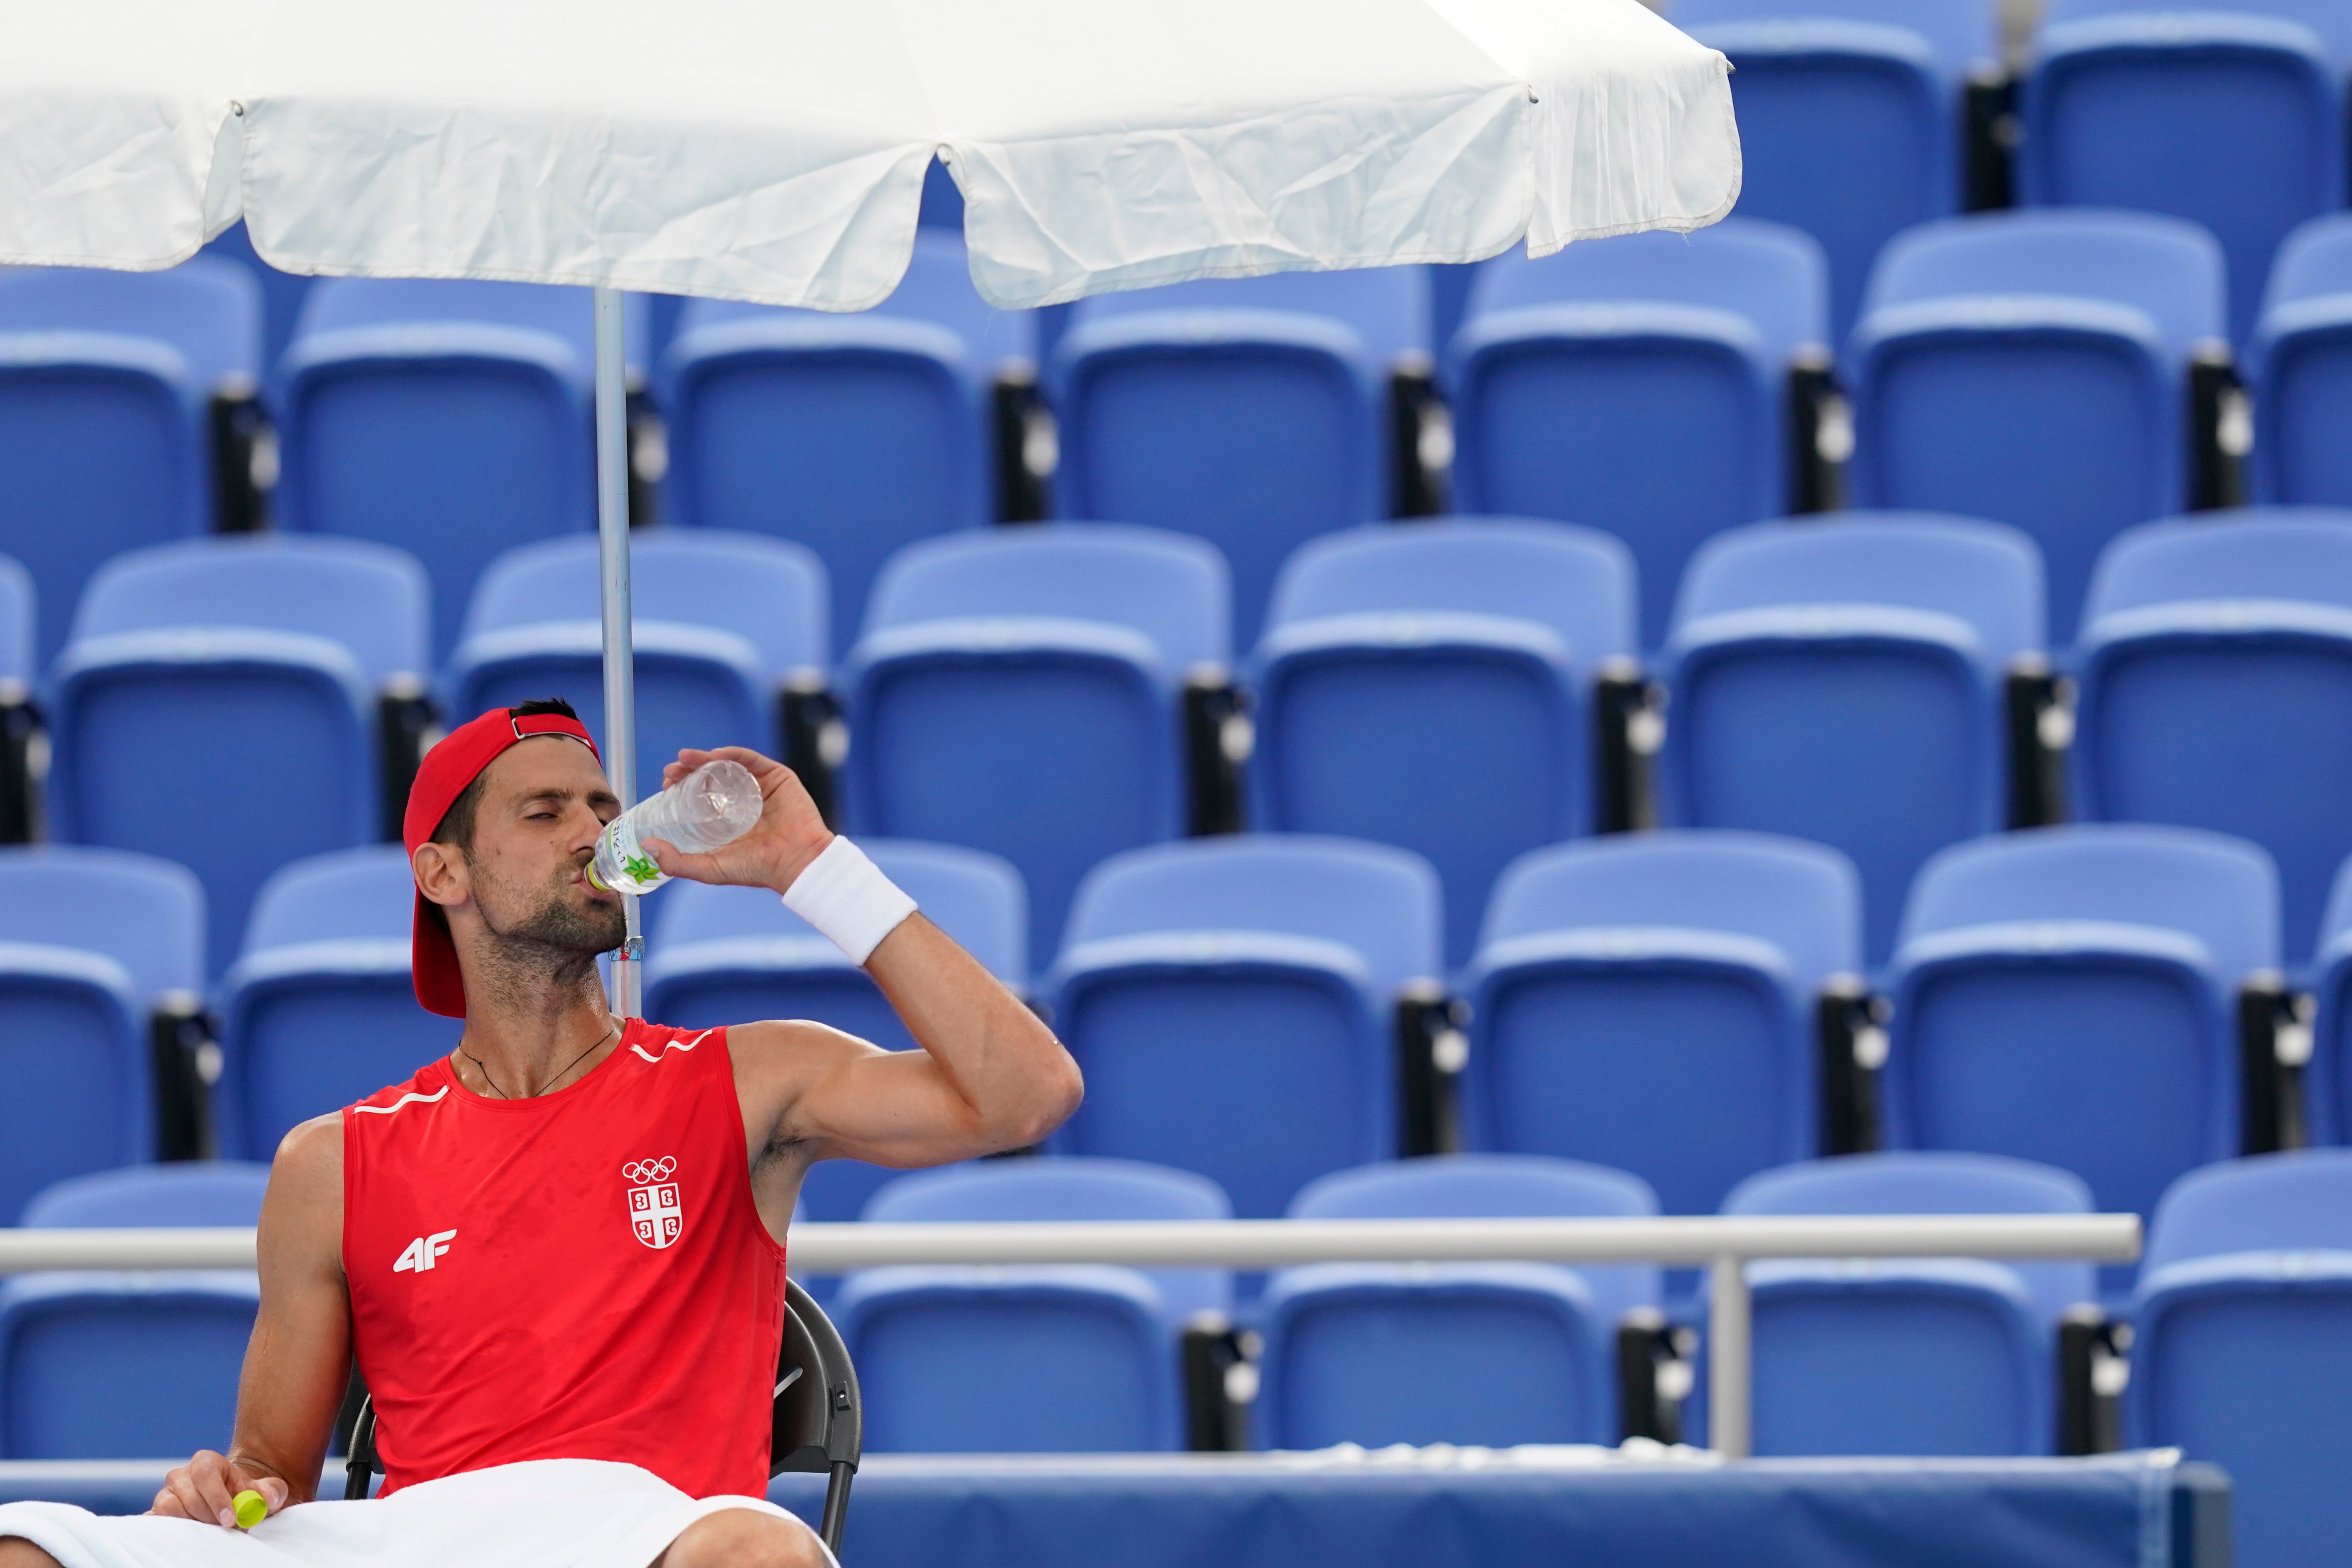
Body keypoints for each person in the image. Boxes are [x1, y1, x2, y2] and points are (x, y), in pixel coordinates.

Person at [0, 701, 1083, 1568]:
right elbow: (268, 1477)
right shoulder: (330, 1162)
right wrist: (220, 1491)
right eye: (545, 810)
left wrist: (810, 864)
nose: (593, 833)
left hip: (644, 1531)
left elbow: (1025, 1096)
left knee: (757, 1551)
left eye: (602, 805)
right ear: (444, 873)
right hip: (410, 1542)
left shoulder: (749, 1080)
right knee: (30, 1545)